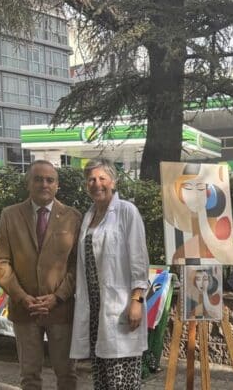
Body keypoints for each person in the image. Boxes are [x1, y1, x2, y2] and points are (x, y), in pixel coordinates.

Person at [0, 160, 81, 390]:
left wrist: (58, 296)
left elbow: (77, 265)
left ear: (57, 185)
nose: (44, 184)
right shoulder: (10, 215)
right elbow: (1, 262)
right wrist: (22, 297)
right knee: (29, 377)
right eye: (38, 179)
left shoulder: (73, 217)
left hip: (61, 310)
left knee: (67, 375)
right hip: (25, 310)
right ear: (28, 183)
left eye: (50, 180)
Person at [69, 158, 150, 390]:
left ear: (112, 181)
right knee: (103, 380)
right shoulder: (89, 216)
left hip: (123, 307)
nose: (97, 184)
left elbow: (139, 262)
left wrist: (136, 301)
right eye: (91, 179)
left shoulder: (127, 211)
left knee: (121, 379)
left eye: (102, 178)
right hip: (96, 311)